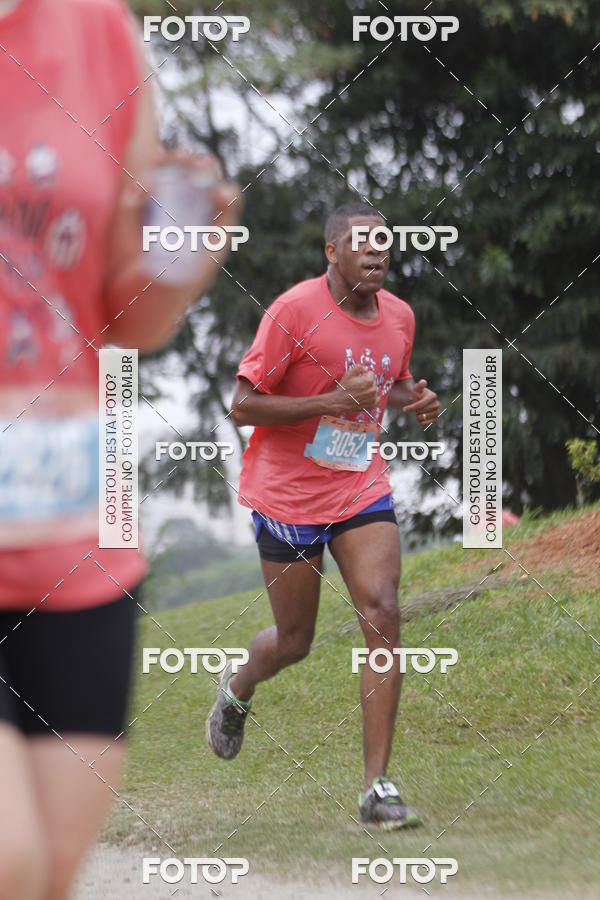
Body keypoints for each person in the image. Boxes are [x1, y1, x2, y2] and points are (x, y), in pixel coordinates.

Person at [0, 0, 241, 896]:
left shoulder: (100, 31)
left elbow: (119, 311)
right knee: (10, 857)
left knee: (48, 876)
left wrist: (179, 263)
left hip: (72, 538)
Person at [206, 202, 440, 829]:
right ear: (332, 252)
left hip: (360, 485)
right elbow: (243, 405)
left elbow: (390, 380)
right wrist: (330, 401)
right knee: (294, 642)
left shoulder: (400, 317)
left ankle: (376, 789)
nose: (377, 252)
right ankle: (238, 687)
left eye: (384, 242)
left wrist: (414, 398)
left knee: (383, 611)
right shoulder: (293, 311)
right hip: (288, 496)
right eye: (362, 242)